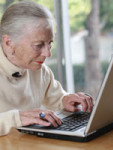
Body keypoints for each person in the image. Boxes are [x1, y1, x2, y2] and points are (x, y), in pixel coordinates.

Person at [0, 1, 93, 136]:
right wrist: (17, 118)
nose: (47, 54)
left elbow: (57, 99)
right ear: (9, 42)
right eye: (38, 45)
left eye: (50, 43)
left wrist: (66, 100)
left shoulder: (39, 69)